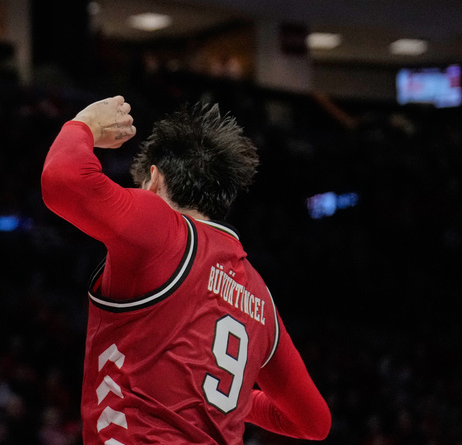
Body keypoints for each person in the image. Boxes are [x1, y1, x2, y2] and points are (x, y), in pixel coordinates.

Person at [41, 97, 331, 444]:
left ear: (153, 180)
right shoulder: (260, 297)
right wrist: (232, 401)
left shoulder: (161, 227)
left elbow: (61, 179)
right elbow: (314, 423)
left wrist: (84, 122)